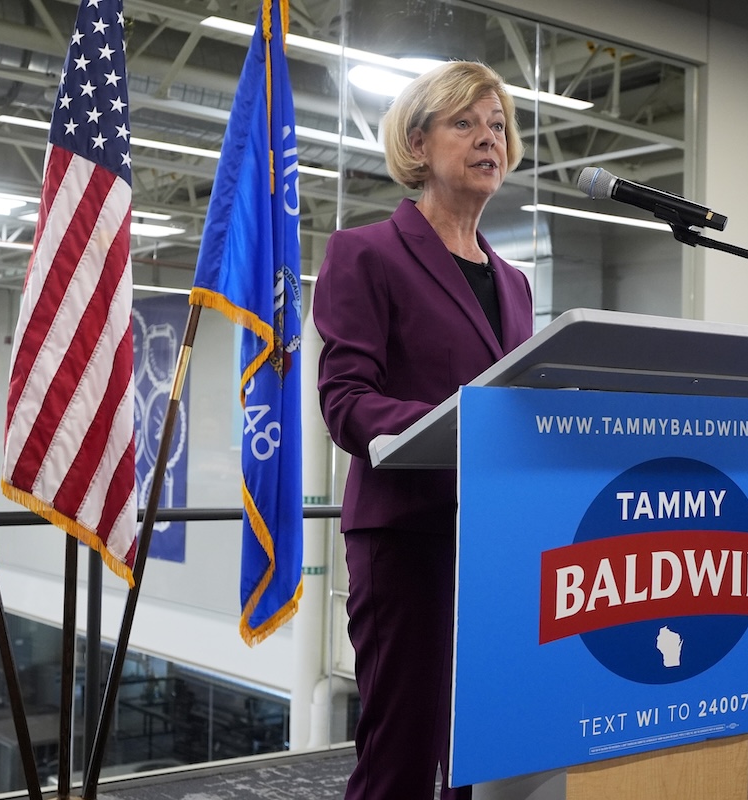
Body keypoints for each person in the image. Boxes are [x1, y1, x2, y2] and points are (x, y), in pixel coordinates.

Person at [313, 61, 534, 800]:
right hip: (407, 538)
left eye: (498, 125)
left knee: (470, 751)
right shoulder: (364, 253)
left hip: (492, 543)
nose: (488, 139)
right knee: (401, 759)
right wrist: (456, 424)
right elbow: (345, 401)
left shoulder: (515, 283)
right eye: (465, 123)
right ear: (417, 142)